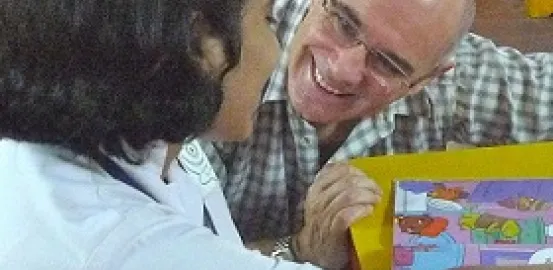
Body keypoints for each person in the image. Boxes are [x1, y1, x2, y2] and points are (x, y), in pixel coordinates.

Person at [0, 0, 372, 269]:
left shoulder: (143, 142)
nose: (276, 51)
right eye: (268, 21)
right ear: (201, 44)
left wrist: (301, 249)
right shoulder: (125, 247)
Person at [194, 0, 553, 268]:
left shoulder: (452, 79)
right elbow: (160, 254)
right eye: (344, 23)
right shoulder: (220, 61)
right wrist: (301, 250)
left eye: (388, 63)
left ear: (425, 81)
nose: (341, 70)